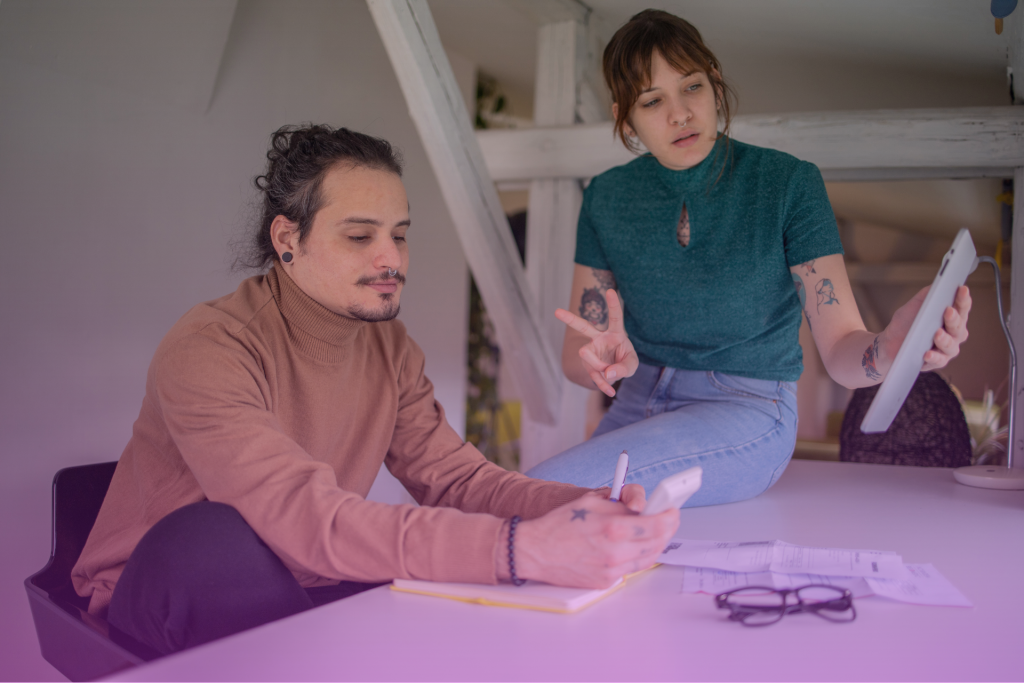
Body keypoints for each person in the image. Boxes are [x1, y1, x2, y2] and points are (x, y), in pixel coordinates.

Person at [71, 124, 679, 656]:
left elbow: (457, 480)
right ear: (288, 240)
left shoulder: (387, 345)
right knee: (210, 541)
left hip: (307, 580)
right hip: (166, 593)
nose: (392, 258)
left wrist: (578, 508)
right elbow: (305, 517)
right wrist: (522, 549)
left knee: (458, 613)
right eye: (360, 236)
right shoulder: (210, 347)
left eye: (400, 234)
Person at [526, 10, 972, 505]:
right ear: (623, 118)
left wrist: (890, 347)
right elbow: (576, 352)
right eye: (652, 101)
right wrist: (604, 363)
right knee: (544, 505)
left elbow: (843, 348)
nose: (679, 114)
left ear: (715, 83)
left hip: (746, 411)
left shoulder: (786, 184)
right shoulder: (606, 198)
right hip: (634, 404)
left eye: (691, 87)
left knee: (539, 494)